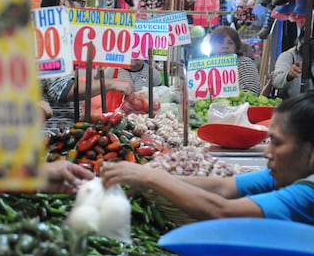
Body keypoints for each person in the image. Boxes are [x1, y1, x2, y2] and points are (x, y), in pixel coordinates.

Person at [101, 93, 314, 224]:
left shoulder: (307, 193)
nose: (267, 152)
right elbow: (222, 188)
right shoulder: (283, 175)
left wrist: (152, 179)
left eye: (277, 143)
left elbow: (222, 211)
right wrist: (146, 178)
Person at [40, 0, 135, 134]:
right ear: (64, 2)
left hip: (63, 132)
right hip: (50, 137)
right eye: (80, 2)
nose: (83, 8)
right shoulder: (48, 37)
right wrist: (111, 84)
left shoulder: (55, 35)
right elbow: (62, 90)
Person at [209, 26, 261, 95]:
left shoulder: (245, 63)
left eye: (230, 43)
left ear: (236, 47)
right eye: (220, 42)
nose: (225, 46)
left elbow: (251, 92)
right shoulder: (206, 65)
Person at [271, 28, 314, 99]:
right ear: (301, 40)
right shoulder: (288, 56)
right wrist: (289, 75)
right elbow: (276, 81)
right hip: (293, 106)